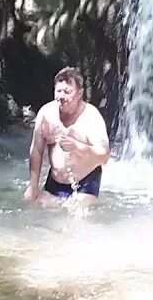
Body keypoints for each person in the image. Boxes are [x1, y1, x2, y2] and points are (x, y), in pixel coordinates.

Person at [23, 67, 110, 207]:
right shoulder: (46, 114)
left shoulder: (91, 117)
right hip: (55, 182)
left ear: (80, 93)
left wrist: (77, 147)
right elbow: (36, 150)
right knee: (37, 217)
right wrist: (33, 185)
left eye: (68, 92)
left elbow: (104, 156)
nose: (61, 97)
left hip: (85, 182)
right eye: (58, 91)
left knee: (75, 219)